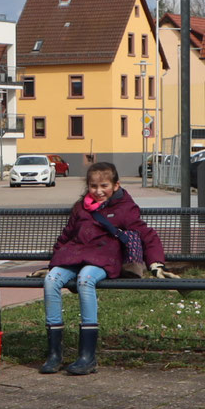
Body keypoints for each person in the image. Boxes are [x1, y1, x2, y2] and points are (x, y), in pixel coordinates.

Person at [38, 161, 165, 376]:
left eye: (104, 186)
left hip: (104, 260)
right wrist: (52, 265)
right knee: (50, 280)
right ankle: (54, 354)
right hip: (74, 256)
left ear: (116, 185)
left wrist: (156, 263)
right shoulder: (80, 208)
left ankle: (87, 356)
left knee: (85, 279)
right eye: (93, 186)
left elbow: (146, 234)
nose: (98, 191)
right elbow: (66, 236)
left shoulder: (125, 207)